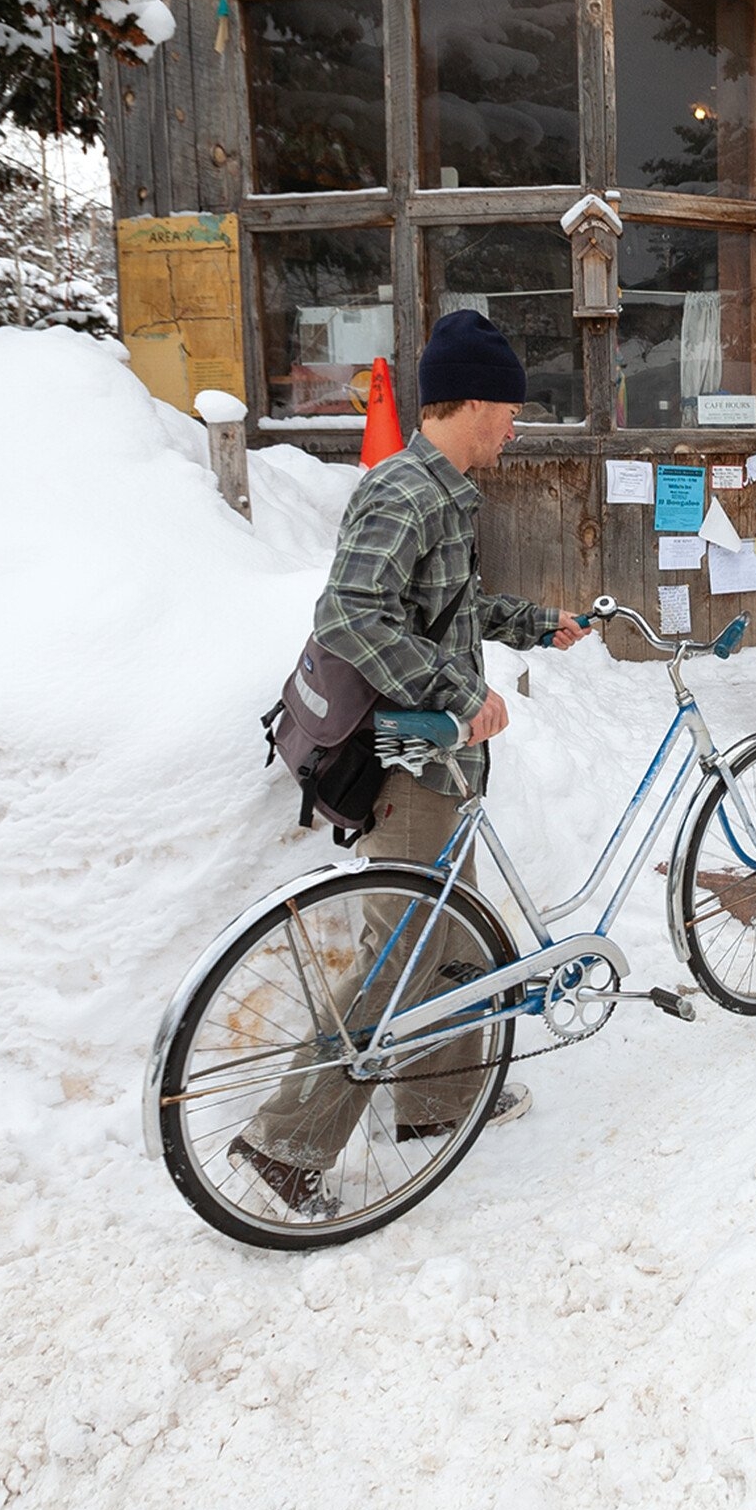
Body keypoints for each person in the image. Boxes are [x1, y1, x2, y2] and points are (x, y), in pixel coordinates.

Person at [230, 310, 591, 1219]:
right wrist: (461, 694)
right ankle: (285, 1142)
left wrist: (533, 622)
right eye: (509, 409)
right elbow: (349, 615)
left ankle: (435, 1104)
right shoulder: (408, 492)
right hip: (409, 759)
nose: (514, 427)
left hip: (442, 760)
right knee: (403, 947)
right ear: (471, 402)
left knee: (452, 930)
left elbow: (441, 608)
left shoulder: (443, 488)